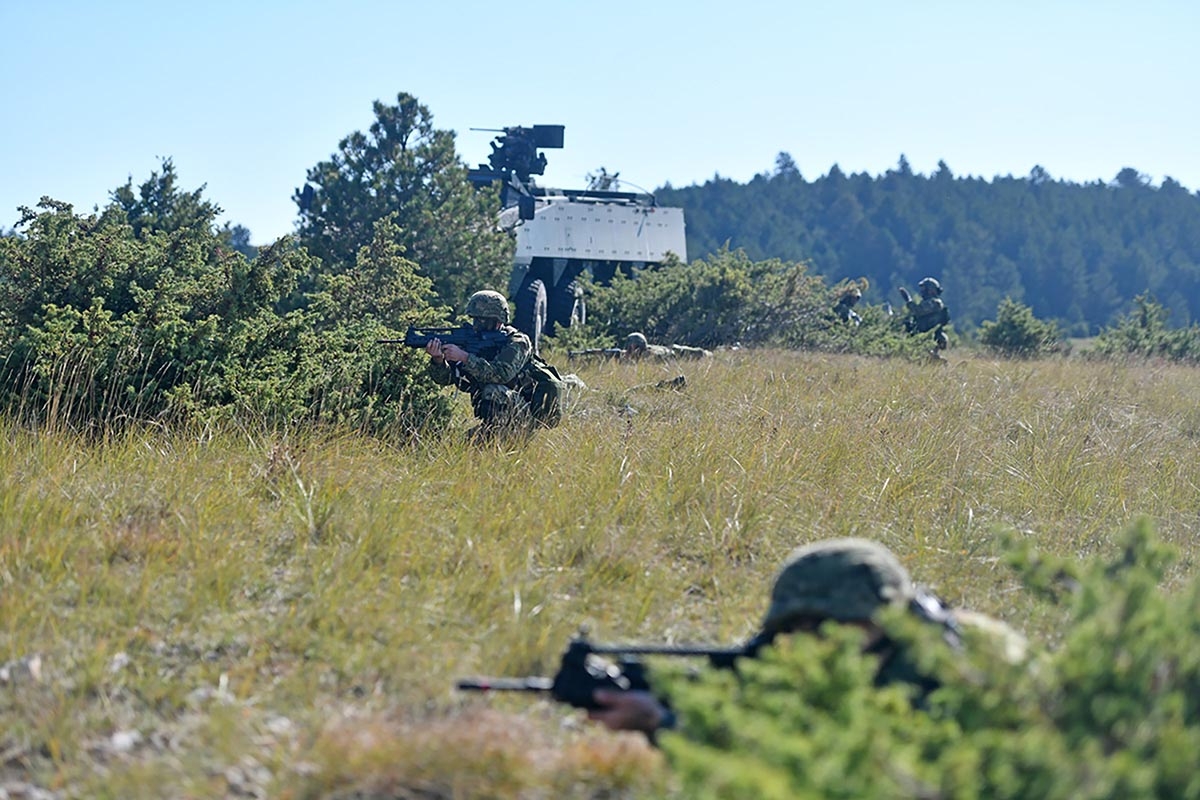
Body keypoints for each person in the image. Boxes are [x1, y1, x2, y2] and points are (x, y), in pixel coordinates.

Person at [587, 537, 1026, 736]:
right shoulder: (888, 648)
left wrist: (665, 724)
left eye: (829, 625)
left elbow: (844, 773)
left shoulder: (951, 667)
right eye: (796, 629)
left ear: (884, 617)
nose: (813, 642)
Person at [425, 290, 533, 439]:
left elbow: (501, 375)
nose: (476, 325)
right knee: (459, 443)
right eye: (475, 319)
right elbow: (446, 379)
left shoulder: (517, 342)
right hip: (495, 418)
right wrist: (438, 360)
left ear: (498, 321)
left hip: (524, 417)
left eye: (482, 320)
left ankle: (501, 437)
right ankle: (491, 436)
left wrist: (465, 357)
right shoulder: (471, 341)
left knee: (493, 391)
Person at [898, 277, 951, 351]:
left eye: (924, 289)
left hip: (930, 337)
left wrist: (908, 300)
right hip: (924, 335)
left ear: (930, 290)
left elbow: (918, 311)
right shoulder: (928, 302)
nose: (922, 291)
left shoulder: (934, 303)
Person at [624, 332, 713, 361]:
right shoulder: (638, 356)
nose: (631, 349)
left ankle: (708, 354)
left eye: (633, 347)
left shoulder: (648, 356)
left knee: (697, 353)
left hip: (673, 353)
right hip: (669, 351)